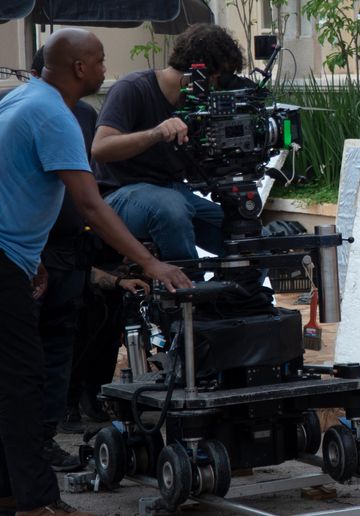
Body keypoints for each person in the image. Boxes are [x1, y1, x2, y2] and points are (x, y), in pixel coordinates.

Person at [0, 28, 191, 515]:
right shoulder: (57, 116)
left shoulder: (22, 97)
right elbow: (89, 202)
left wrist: (31, 252)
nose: (108, 70)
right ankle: (34, 501)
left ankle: (9, 490)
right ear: (80, 68)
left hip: (11, 257)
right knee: (24, 381)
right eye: (102, 60)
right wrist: (150, 261)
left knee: (11, 379)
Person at [92, 23, 247, 261]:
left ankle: (237, 296)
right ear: (202, 74)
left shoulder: (198, 105)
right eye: (219, 79)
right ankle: (188, 288)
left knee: (248, 235)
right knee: (171, 208)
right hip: (119, 195)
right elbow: (100, 149)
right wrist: (155, 133)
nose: (219, 88)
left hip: (173, 192)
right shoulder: (133, 88)